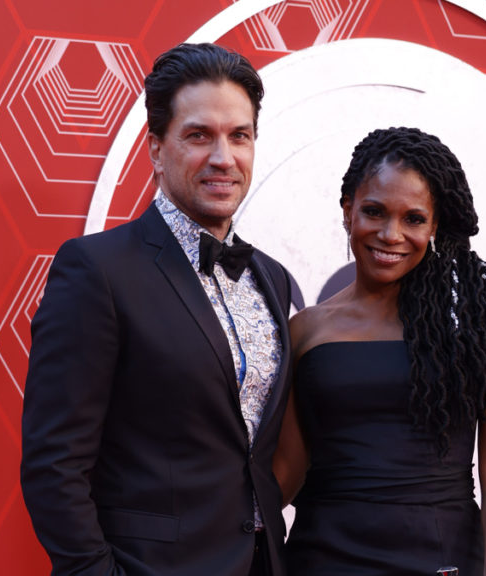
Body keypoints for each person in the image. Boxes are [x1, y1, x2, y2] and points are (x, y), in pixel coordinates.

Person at [20, 43, 293, 576]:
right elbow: (55, 464)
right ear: (155, 149)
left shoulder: (272, 278)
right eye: (199, 135)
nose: (223, 157)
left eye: (240, 136)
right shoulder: (97, 270)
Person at [274, 127, 486, 576]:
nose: (391, 234)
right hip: (323, 561)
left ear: (435, 225)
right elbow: (286, 473)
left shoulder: (473, 325)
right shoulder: (305, 331)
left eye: (413, 218)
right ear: (347, 210)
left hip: (442, 560)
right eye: (374, 211)